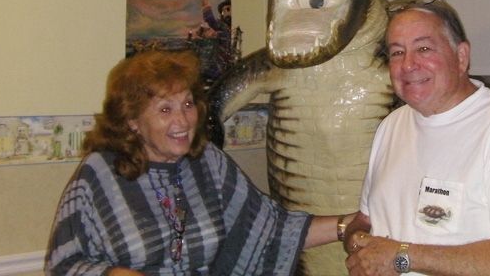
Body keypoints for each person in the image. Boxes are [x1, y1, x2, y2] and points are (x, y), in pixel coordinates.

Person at [45, 50, 353, 275]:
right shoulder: (100, 173)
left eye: (188, 103)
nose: (183, 120)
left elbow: (273, 229)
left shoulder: (207, 162)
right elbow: (64, 264)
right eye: (165, 110)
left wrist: (350, 224)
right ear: (133, 120)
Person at [342, 0, 490, 276]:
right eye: (397, 52)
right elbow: (365, 220)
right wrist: (359, 244)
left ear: (461, 56)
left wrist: (400, 257)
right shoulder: (392, 125)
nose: (408, 64)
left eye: (424, 49)